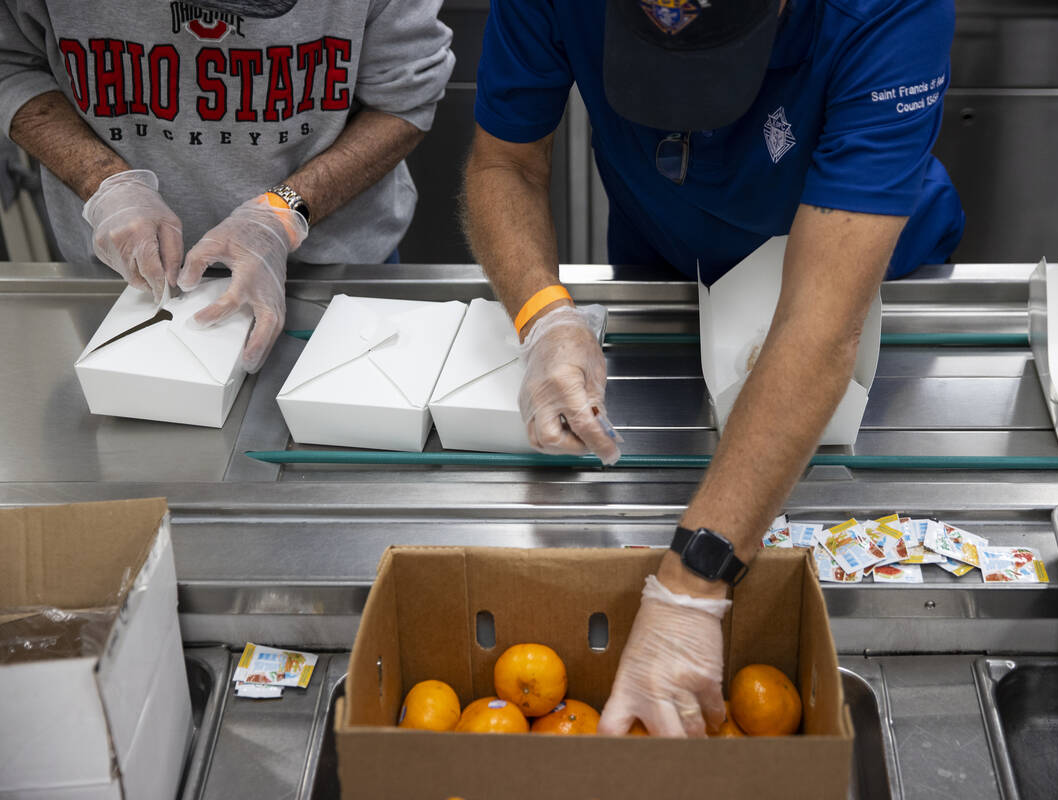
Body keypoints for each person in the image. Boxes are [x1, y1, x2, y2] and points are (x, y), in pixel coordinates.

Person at [461, 0, 964, 736]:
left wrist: (691, 588)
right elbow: (505, 158)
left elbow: (821, 331)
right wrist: (545, 316)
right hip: (668, 250)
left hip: (856, 251)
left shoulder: (888, 11)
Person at [0, 0, 453, 371]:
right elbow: (12, 66)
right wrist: (107, 183)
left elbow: (402, 99)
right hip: (124, 274)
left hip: (332, 269)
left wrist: (282, 212)